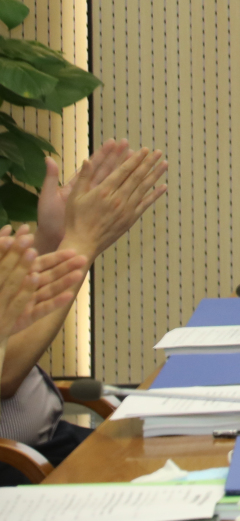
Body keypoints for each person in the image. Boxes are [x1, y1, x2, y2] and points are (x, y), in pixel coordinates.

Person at [0, 141, 167, 477]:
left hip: (49, 443)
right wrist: (79, 244)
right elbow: (6, 374)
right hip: (20, 465)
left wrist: (54, 239)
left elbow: (11, 311)